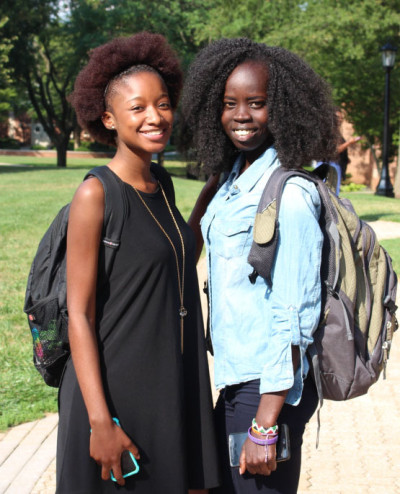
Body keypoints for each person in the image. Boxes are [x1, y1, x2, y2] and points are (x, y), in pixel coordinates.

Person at [56, 32, 220, 494]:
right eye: (138, 107)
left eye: (163, 104)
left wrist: (209, 199)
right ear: (108, 118)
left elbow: (175, 256)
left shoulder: (161, 184)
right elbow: (80, 316)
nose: (155, 117)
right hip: (114, 395)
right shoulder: (96, 194)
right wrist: (100, 422)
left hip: (169, 383)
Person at [179, 38, 339, 494]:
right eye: (230, 104)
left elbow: (294, 314)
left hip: (268, 389)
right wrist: (213, 182)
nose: (241, 116)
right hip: (236, 379)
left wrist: (266, 423)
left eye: (257, 103)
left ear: (283, 108)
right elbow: (193, 246)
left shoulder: (289, 195)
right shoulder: (233, 178)